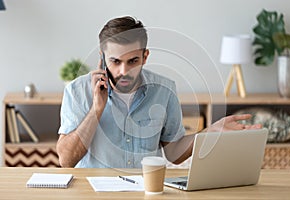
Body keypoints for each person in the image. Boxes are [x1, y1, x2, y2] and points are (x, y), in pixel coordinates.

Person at [56, 16, 261, 168]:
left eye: (133, 61)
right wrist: (96, 109)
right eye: (115, 61)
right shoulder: (77, 91)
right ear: (102, 58)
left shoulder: (165, 90)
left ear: (145, 56)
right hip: (92, 195)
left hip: (146, 192)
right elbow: (66, 160)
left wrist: (209, 133)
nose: (124, 71)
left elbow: (173, 153)